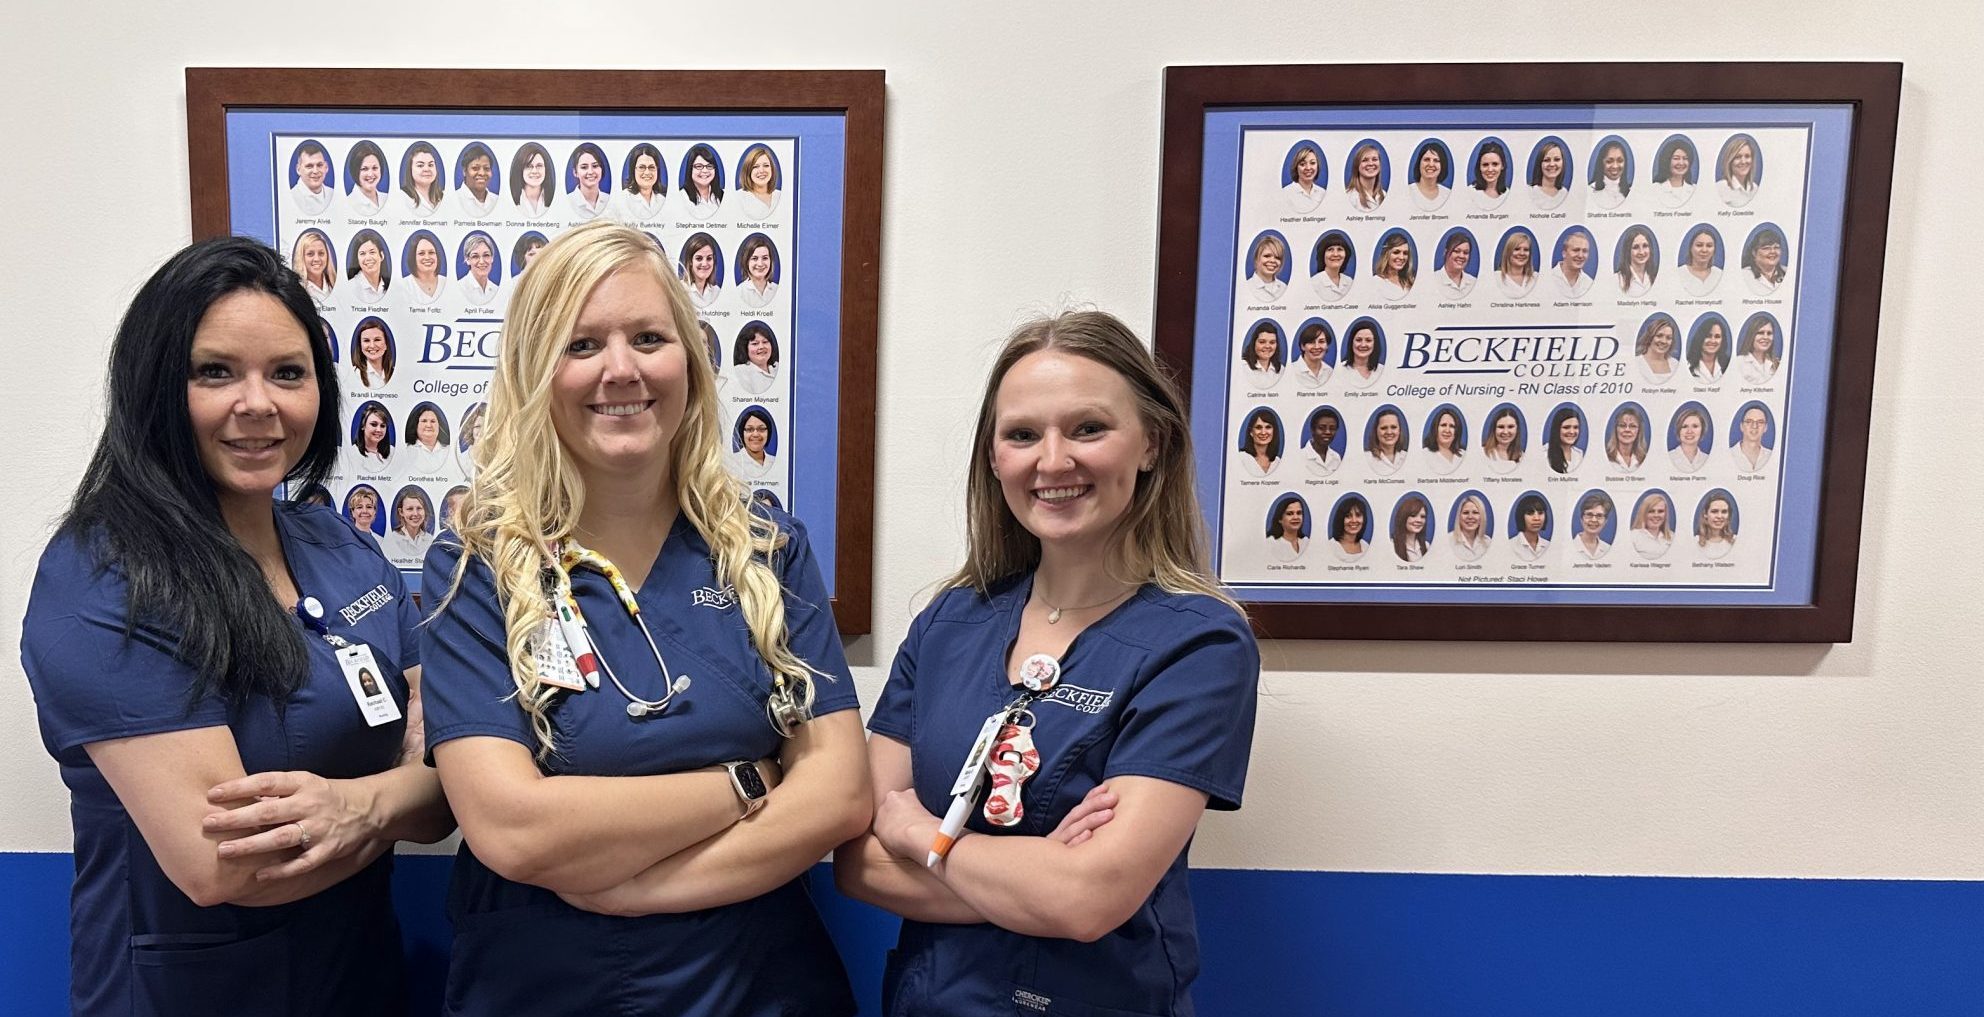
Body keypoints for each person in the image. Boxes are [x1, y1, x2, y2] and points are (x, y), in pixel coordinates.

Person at [419, 220, 866, 1015]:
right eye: (581, 344)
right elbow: (513, 826)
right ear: (534, 372)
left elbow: (836, 791)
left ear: (689, 362)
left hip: (756, 986)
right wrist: (746, 780)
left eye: (649, 337)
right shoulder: (477, 565)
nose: (620, 369)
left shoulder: (766, 546)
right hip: (548, 987)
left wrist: (644, 890)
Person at [21, 236, 451, 1017]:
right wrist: (403, 791)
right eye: (215, 371)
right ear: (155, 385)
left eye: (288, 372)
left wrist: (360, 807)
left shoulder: (344, 549)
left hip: (359, 980)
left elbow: (451, 781)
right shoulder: (103, 576)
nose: (259, 403)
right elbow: (226, 864)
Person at [836, 309, 1258, 1017]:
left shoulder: (1201, 644)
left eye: (1088, 428)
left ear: (1151, 443)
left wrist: (920, 834)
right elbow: (858, 864)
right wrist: (1035, 876)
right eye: (1023, 434)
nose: (1053, 460)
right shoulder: (948, 623)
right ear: (995, 457)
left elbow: (1088, 897)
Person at [379, 486, 434, 565]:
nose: (415, 513)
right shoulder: (393, 538)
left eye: (419, 508)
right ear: (401, 512)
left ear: (424, 511)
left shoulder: (430, 540)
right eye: (410, 509)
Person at [614, 143, 668, 221]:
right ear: (633, 170)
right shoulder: (622, 199)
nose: (647, 172)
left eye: (651, 167)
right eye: (641, 167)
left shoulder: (662, 200)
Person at [339, 230, 391, 305]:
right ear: (357, 259)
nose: (368, 258)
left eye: (372, 252)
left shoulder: (390, 286)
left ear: (382, 255)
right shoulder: (350, 287)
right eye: (362, 254)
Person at [732, 144, 783, 219]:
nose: (761, 171)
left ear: (772, 169)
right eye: (755, 167)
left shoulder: (780, 195)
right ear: (748, 171)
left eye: (766, 165)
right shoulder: (738, 198)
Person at [399, 403, 452, 475]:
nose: (429, 425)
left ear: (439, 426)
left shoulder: (450, 451)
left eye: (433, 421)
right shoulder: (405, 450)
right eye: (424, 421)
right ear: (416, 425)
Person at [731, 321, 780, 396]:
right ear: (745, 348)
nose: (761, 347)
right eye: (755, 344)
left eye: (765, 342)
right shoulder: (740, 372)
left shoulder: (778, 368)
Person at [676, 143, 724, 219]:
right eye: (699, 166)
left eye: (709, 166)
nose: (705, 170)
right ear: (690, 169)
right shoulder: (681, 197)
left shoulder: (723, 195)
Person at [564, 143, 611, 220]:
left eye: (595, 166)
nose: (590, 172)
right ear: (575, 172)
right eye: (584, 167)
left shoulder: (609, 200)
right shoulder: (568, 201)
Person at [509, 142, 556, 218]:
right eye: (529, 166)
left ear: (546, 169)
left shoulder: (555, 201)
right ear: (521, 170)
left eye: (539, 166)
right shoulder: (512, 202)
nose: (534, 171)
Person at [343, 140, 389, 218]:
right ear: (355, 171)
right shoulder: (349, 203)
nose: (370, 174)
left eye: (375, 168)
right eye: (364, 169)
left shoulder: (386, 198)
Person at [730, 406, 779, 480]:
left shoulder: (774, 461)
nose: (755, 434)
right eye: (749, 429)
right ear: (741, 434)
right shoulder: (732, 462)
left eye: (761, 429)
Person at [291, 229, 337, 307]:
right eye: (310, 254)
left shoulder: (333, 284)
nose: (316, 259)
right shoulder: (297, 289)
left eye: (321, 253)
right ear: (301, 257)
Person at [398, 141, 445, 216]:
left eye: (430, 165)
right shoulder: (401, 196)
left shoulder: (444, 196)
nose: (426, 169)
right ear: (410, 169)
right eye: (420, 165)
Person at [289, 140, 335, 216]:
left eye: (319, 165)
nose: (315, 171)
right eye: (309, 166)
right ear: (298, 169)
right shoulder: (291, 197)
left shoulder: (333, 194)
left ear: (326, 167)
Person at [455, 142, 500, 218]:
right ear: (464, 171)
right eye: (475, 168)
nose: (482, 173)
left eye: (486, 168)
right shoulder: (455, 198)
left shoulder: (496, 200)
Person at [403, 232, 448, 307]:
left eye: (431, 252)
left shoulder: (446, 282)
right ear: (413, 258)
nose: (427, 257)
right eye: (421, 253)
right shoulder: (404, 285)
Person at [348, 316, 394, 389]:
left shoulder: (395, 373)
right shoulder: (355, 374)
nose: (372, 346)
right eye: (366, 341)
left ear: (386, 345)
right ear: (360, 346)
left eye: (377, 340)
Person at [1742, 226, 1788, 295]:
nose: (1773, 251)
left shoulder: (1788, 271)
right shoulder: (1744, 275)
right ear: (1754, 253)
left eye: (1776, 247)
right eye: (1766, 248)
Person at [680, 232, 723, 308]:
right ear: (690, 261)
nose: (704, 264)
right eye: (699, 258)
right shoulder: (680, 289)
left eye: (709, 258)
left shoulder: (716, 291)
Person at [1737, 314, 1783, 384]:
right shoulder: (1739, 362)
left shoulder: (1777, 364)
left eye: (1769, 333)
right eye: (1761, 333)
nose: (1765, 337)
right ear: (1752, 335)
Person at [1652, 135, 1696, 207]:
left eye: (1685, 158)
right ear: (1667, 160)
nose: (1681, 163)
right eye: (1676, 158)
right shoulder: (1655, 189)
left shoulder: (1694, 189)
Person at [1407, 139, 1451, 211]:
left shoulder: (1447, 194)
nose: (1431, 164)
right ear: (1419, 163)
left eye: (1436, 160)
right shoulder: (1408, 191)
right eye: (1427, 159)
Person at [736, 234, 779, 308]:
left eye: (765, 258)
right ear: (747, 261)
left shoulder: (777, 289)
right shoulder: (739, 292)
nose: (760, 264)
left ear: (770, 261)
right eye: (755, 258)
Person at [1237, 408, 1282, 478]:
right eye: (1258, 427)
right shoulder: (1241, 458)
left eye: (1268, 427)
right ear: (1251, 432)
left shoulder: (1277, 462)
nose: (1263, 432)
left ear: (1274, 431)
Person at [1310, 231, 1354, 302]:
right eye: (1330, 249)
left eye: (1340, 249)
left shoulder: (1349, 281)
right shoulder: (1314, 283)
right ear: (1322, 255)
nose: (1335, 254)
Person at [1679, 226, 1724, 297]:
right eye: (1699, 245)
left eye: (1709, 246)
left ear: (1714, 250)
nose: (1704, 250)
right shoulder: (1679, 273)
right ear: (1691, 248)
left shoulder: (1720, 274)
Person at [1718, 135, 1761, 207]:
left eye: (1747, 156)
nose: (1743, 161)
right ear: (1730, 161)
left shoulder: (1755, 188)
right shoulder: (1721, 188)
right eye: (1738, 157)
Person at [1615, 225, 1659, 296]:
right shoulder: (1618, 279)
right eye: (1636, 247)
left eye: (1645, 246)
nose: (1641, 252)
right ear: (1628, 251)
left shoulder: (1656, 276)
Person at [1341, 318, 1384, 389]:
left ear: (1375, 343)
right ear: (1351, 342)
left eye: (1368, 340)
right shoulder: (1341, 370)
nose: (1363, 345)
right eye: (1358, 340)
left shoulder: (1382, 370)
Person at [1635, 313, 1679, 384]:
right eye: (1659, 335)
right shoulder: (1636, 363)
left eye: (1668, 338)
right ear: (1650, 337)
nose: (1664, 341)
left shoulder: (1675, 364)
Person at [1528, 138, 1570, 211]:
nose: (1552, 164)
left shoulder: (1564, 193)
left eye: (1557, 159)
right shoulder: (1529, 191)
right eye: (1547, 160)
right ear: (1540, 164)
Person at [1589, 138, 1631, 210]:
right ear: (1601, 163)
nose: (1615, 166)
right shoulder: (1590, 191)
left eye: (1620, 161)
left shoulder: (1631, 190)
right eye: (1609, 161)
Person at [1244, 233, 1288, 303]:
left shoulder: (1284, 288)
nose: (1273, 260)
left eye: (1277, 257)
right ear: (1256, 259)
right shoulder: (1246, 287)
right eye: (1267, 256)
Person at [1283, 142, 1326, 213]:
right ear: (1296, 167)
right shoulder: (1285, 194)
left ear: (1317, 166)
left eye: (1312, 163)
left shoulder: (1322, 193)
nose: (1308, 168)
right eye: (1302, 164)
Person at [460, 233, 501, 307]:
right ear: (467, 260)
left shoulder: (496, 290)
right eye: (475, 256)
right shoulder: (460, 288)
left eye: (486, 255)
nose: (482, 261)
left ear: (492, 258)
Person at [349, 400, 393, 469]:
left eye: (382, 426)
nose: (379, 430)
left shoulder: (392, 451)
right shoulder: (352, 453)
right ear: (363, 426)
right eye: (373, 424)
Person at [1469, 138, 1511, 210]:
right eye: (1485, 165)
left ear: (1502, 166)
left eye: (1495, 164)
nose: (1490, 169)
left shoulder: (1508, 194)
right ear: (1479, 167)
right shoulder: (1469, 193)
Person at [1238, 321, 1282, 389]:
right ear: (1254, 343)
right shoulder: (1242, 367)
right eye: (1262, 342)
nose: (1267, 346)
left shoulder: (1282, 370)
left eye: (1272, 342)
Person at [1688, 315, 1731, 383]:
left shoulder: (1729, 364)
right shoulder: (1688, 365)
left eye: (1717, 336)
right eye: (1708, 336)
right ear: (1700, 338)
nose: (1713, 341)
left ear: (1722, 340)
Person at [1372, 231, 1415, 300]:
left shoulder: (1411, 280)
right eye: (1396, 252)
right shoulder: (1376, 282)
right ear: (1386, 254)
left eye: (1405, 253)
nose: (1401, 257)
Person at [1605, 404, 1648, 472]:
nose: (1627, 430)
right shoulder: (1605, 457)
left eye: (1632, 426)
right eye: (1622, 425)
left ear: (1639, 431)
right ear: (1616, 429)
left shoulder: (1645, 459)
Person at [1290, 320, 1333, 389]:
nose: (1317, 347)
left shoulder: (1330, 371)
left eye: (1321, 341)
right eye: (1311, 342)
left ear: (1327, 345)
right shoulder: (1291, 371)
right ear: (1302, 346)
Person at [1365, 407, 1408, 476]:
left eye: (1393, 427)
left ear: (1399, 431)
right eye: (1383, 428)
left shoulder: (1406, 456)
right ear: (1376, 431)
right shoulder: (1367, 457)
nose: (1389, 432)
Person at [1345, 141, 1387, 211]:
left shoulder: (1384, 195)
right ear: (1357, 166)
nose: (1371, 163)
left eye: (1374, 159)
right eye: (1365, 160)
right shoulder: (1349, 197)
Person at [1422, 407, 1465, 475]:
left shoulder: (1463, 454)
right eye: (1443, 425)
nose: (1447, 430)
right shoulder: (1425, 454)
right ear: (1435, 428)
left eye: (1452, 426)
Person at [1571, 492, 1613, 561]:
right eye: (1589, 514)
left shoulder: (1608, 549)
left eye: (1599, 516)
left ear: (1605, 521)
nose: (1593, 520)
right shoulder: (1571, 545)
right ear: (1581, 518)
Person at [1496, 229, 1537, 298]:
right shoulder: (1496, 278)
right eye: (1517, 249)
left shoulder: (1536, 277)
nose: (1522, 253)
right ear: (1508, 252)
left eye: (1526, 250)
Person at [1481, 406, 1523, 475]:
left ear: (1517, 429)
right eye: (1501, 427)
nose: (1505, 432)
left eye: (1510, 427)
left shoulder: (1522, 457)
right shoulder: (1482, 453)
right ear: (1494, 429)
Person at [1433, 232, 1475, 299]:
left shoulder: (1473, 282)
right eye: (1456, 251)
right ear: (1445, 252)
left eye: (1466, 252)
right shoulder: (1433, 280)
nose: (1461, 256)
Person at [1630, 492, 1673, 559]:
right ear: (1643, 513)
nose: (1656, 515)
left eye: (1660, 511)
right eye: (1651, 511)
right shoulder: (1632, 537)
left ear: (1665, 514)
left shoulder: (1673, 537)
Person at [1450, 493, 1491, 561]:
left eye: (1475, 512)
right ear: (1459, 517)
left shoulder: (1488, 542)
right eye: (1466, 512)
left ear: (1481, 517)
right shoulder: (1449, 540)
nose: (1470, 517)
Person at [1696, 491, 1737, 559]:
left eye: (1724, 512)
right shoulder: (1695, 542)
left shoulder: (1735, 541)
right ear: (1705, 514)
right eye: (1714, 511)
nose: (1719, 516)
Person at [1553, 230, 1593, 298]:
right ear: (1564, 253)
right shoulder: (1549, 277)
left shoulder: (1589, 283)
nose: (1580, 255)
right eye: (1576, 250)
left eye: (1585, 251)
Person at [1391, 494, 1432, 562]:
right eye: (1413, 515)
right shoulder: (1392, 546)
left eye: (1422, 516)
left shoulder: (1427, 546)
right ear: (1403, 517)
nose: (1419, 520)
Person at [1669, 406, 1710, 473]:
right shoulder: (1669, 457)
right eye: (1684, 426)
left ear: (1702, 429)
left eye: (1695, 426)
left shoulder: (1707, 459)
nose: (1689, 431)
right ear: (1679, 430)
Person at [1510, 493, 1549, 562]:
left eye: (1540, 513)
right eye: (1530, 513)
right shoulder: (1511, 546)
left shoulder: (1548, 545)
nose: (1537, 518)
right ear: (1521, 516)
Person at [1303, 407, 1343, 475]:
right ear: (1313, 430)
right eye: (1322, 428)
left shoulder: (1336, 458)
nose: (1328, 432)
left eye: (1332, 428)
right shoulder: (1301, 456)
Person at [1267, 494, 1308, 561]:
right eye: (1289, 513)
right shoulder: (1271, 543)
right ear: (1280, 519)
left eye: (1299, 513)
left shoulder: (1306, 542)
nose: (1296, 517)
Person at [1733, 405, 1773, 471]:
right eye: (1749, 421)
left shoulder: (1771, 456)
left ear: (1765, 428)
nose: (1754, 426)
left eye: (1760, 422)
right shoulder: (1730, 454)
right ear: (1741, 426)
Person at [1545, 406, 1584, 474]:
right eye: (1566, 427)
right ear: (1556, 429)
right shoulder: (1544, 454)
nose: (1572, 432)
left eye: (1575, 427)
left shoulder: (1579, 454)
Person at [1330, 497, 1368, 561]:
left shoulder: (1365, 546)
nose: (1354, 520)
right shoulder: (1332, 547)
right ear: (1340, 519)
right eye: (1348, 516)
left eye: (1358, 515)